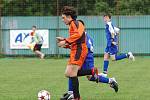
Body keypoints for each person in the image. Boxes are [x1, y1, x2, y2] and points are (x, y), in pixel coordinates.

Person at [60, 31, 118, 100]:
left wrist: (66, 44)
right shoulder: (86, 36)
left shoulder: (81, 36)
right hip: (87, 56)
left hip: (86, 57)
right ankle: (110, 80)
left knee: (73, 72)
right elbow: (78, 46)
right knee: (75, 72)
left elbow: (82, 47)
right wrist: (67, 45)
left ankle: (71, 93)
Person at [57, 6, 99, 100]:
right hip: (75, 50)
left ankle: (76, 97)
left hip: (79, 51)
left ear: (69, 16)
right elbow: (76, 39)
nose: (63, 20)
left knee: (72, 73)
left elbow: (79, 35)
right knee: (68, 73)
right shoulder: (72, 25)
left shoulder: (77, 23)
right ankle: (91, 71)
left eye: (63, 18)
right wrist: (65, 42)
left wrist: (66, 41)